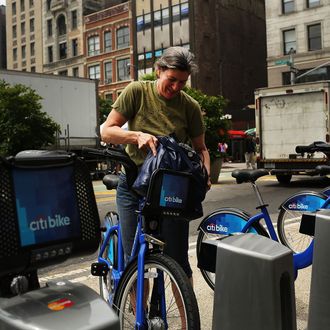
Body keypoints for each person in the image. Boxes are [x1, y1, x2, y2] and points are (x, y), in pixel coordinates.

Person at [101, 46, 210, 283]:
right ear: (158, 70)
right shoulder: (137, 91)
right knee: (134, 260)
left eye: (182, 82)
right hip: (132, 183)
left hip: (171, 188)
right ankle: (135, 316)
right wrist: (136, 136)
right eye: (171, 80)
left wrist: (205, 175)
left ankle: (187, 321)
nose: (176, 87)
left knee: (178, 263)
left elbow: (201, 149)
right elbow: (107, 131)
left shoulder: (189, 106)